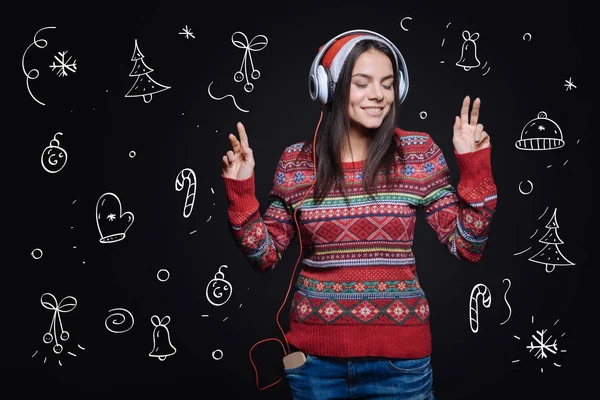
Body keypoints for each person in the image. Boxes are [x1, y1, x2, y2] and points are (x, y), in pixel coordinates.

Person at [221, 29, 496, 400]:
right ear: (328, 88)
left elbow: (468, 246)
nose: (379, 95)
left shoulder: (418, 152)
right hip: (315, 366)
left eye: (387, 83)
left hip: (400, 366)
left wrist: (475, 167)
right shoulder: (295, 162)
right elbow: (265, 256)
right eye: (362, 83)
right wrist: (241, 193)